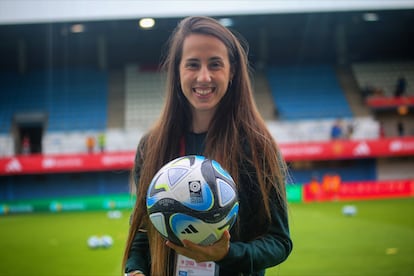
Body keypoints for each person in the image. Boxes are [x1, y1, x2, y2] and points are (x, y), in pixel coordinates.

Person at [123, 16, 292, 276]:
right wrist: (134, 270)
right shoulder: (151, 146)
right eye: (192, 64)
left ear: (232, 71)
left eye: (215, 64)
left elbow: (279, 241)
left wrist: (227, 254)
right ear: (177, 70)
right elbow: (146, 229)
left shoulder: (257, 145)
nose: (204, 77)